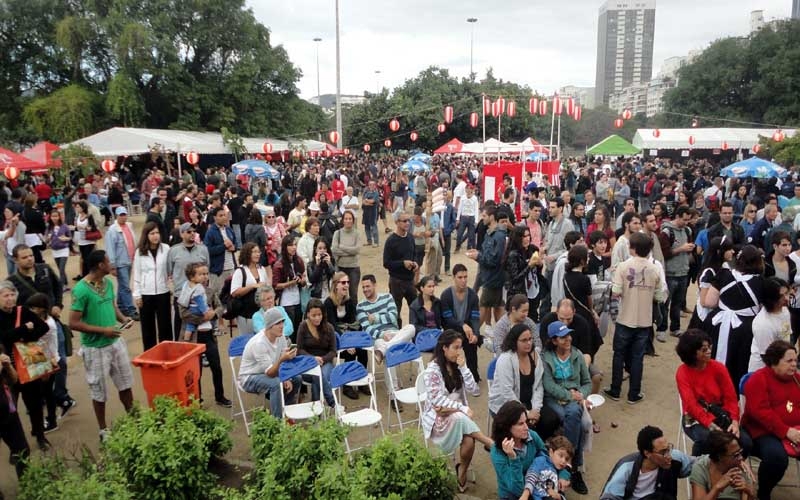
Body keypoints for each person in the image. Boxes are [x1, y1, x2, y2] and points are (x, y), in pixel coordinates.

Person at [68, 250, 134, 441]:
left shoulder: (107, 283)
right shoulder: (80, 290)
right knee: (99, 390)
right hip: (95, 349)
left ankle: (134, 418)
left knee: (126, 384)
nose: (110, 263)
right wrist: (103, 330)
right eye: (107, 261)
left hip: (116, 342)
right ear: (99, 265)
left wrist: (123, 318)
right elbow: (73, 323)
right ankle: (103, 430)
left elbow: (112, 307)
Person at [422, 330, 494, 492]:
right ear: (444, 348)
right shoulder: (432, 371)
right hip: (438, 423)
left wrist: (464, 368)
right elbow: (436, 400)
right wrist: (461, 408)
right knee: (459, 417)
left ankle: (461, 472)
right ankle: (489, 442)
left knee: (469, 441)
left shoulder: (457, 366)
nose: (459, 352)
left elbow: (475, 391)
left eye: (460, 348)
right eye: (455, 348)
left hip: (456, 417)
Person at [605, 232, 666, 404]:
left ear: (632, 248)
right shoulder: (655, 268)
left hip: (625, 318)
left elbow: (616, 292)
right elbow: (661, 296)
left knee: (619, 354)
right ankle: (634, 393)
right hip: (644, 320)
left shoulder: (623, 267)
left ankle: (615, 390)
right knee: (638, 357)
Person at [675, 329, 751, 457]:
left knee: (746, 442)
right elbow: (691, 405)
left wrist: (734, 421)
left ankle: (731, 467)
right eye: (704, 350)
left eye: (709, 347)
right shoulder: (682, 373)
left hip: (721, 413)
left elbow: (731, 398)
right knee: (710, 441)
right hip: (696, 417)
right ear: (692, 353)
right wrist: (710, 423)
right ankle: (700, 471)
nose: (709, 351)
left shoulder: (718, 367)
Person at [742, 340, 800, 499]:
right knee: (777, 459)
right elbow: (760, 413)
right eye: (789, 361)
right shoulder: (758, 380)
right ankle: (763, 493)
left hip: (795, 430)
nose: (794, 364)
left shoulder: (797, 379)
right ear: (774, 362)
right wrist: (787, 431)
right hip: (763, 432)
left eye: (796, 360)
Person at [701, 245, 764, 392]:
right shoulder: (761, 282)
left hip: (718, 324)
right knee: (740, 361)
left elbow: (709, 302)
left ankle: (710, 388)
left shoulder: (724, 275)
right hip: (745, 329)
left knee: (712, 356)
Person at [541, 320, 591, 494]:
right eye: (563, 337)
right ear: (554, 340)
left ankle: (565, 464)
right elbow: (549, 385)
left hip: (573, 401)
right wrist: (571, 395)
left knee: (579, 419)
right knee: (576, 417)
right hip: (554, 400)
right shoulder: (546, 357)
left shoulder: (577, 355)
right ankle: (573, 467)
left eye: (568, 335)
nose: (568, 339)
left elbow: (587, 382)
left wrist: (581, 395)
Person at [489, 322, 561, 441]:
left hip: (529, 402)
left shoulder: (535, 355)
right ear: (514, 341)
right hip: (507, 405)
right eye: (524, 340)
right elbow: (507, 393)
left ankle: (536, 447)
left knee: (551, 419)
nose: (528, 343)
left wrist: (535, 410)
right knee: (526, 427)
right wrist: (526, 414)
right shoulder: (505, 359)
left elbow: (538, 386)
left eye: (530, 339)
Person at [0, 282, 50, 450]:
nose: (10, 299)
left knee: (35, 404)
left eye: (12, 295)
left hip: (28, 366)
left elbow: (43, 327)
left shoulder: (23, 311)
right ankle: (16, 445)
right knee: (9, 409)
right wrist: (23, 329)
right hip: (8, 371)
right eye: (5, 296)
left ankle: (40, 436)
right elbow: (3, 339)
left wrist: (26, 337)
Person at [491, 400, 570, 500]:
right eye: (520, 424)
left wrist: (563, 475)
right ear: (507, 427)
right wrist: (513, 458)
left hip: (538, 485)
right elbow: (517, 490)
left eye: (526, 422)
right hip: (513, 496)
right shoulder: (497, 452)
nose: (526, 427)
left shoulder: (532, 436)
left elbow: (550, 458)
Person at [356, 274, 415, 408]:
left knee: (411, 328)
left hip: (395, 334)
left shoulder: (387, 297)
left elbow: (393, 317)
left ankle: (383, 350)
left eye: (368, 286)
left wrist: (375, 318)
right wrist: (383, 334)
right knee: (390, 353)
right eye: (363, 287)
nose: (365, 289)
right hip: (378, 339)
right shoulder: (360, 306)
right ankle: (394, 395)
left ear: (375, 285)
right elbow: (367, 329)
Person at [237, 308, 301, 417]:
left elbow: (282, 367)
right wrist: (282, 359)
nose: (282, 326)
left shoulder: (280, 337)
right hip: (249, 377)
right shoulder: (259, 344)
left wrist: (287, 377)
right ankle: (277, 423)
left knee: (297, 378)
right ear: (269, 326)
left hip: (269, 371)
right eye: (278, 323)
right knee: (276, 384)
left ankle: (287, 414)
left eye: (282, 322)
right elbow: (270, 373)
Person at [600, 425, 694, 500]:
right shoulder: (627, 468)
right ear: (647, 453)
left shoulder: (675, 457)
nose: (668, 455)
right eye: (663, 452)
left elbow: (700, 464)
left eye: (669, 449)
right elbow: (609, 496)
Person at [323, 272, 366, 400]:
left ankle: (361, 380)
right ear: (336, 285)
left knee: (362, 350)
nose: (346, 285)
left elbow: (353, 323)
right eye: (343, 282)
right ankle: (347, 384)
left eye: (347, 282)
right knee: (349, 353)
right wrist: (346, 343)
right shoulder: (328, 303)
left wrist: (352, 341)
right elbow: (332, 326)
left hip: (348, 334)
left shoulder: (349, 301)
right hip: (334, 337)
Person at [131, 221, 171, 350]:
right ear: (146, 235)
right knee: (148, 329)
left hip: (162, 292)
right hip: (146, 294)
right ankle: (150, 354)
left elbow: (170, 270)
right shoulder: (140, 252)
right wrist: (137, 295)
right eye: (152, 233)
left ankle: (166, 353)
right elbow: (136, 274)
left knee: (165, 326)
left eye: (157, 233)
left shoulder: (166, 249)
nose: (155, 236)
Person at [167, 223, 211, 337]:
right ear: (181, 234)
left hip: (200, 297)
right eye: (188, 232)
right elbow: (169, 271)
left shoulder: (203, 249)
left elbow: (207, 268)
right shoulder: (173, 251)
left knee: (202, 329)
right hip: (181, 297)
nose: (192, 234)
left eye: (193, 231)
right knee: (180, 329)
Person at [466, 205, 507, 327]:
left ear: (492, 217)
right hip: (489, 277)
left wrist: (478, 257)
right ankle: (503, 335)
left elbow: (495, 260)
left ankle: (473, 335)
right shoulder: (489, 234)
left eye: (484, 216)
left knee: (483, 307)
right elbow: (487, 254)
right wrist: (478, 254)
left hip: (493, 279)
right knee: (498, 307)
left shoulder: (498, 236)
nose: (482, 219)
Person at [440, 263, 482, 381]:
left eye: (465, 277)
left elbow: (475, 317)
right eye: (460, 277)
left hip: (466, 330)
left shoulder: (473, 295)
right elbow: (448, 319)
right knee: (450, 347)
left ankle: (473, 375)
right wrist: (462, 325)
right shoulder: (446, 295)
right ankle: (449, 376)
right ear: (454, 278)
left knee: (472, 343)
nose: (463, 280)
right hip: (451, 329)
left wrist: (476, 334)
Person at [658, 205, 694, 339]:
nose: (686, 222)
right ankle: (662, 328)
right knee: (665, 303)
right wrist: (681, 249)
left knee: (678, 303)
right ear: (677, 217)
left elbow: (689, 247)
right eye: (684, 219)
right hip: (670, 273)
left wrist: (690, 248)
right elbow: (664, 253)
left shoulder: (687, 231)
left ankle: (675, 327)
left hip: (683, 271)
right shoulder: (667, 232)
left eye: (688, 220)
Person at [689, 430, 756, 500]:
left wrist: (749, 492)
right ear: (720, 457)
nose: (741, 458)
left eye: (740, 452)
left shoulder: (742, 469)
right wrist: (717, 488)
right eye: (736, 455)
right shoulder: (701, 468)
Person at [0, 343, 30, 495]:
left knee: (22, 450)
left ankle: (27, 487)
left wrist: (8, 366)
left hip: (8, 413)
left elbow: (12, 380)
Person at [296, 298, 337, 408]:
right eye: (314, 315)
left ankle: (316, 412)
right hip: (307, 364)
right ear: (308, 314)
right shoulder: (303, 327)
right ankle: (332, 402)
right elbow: (299, 349)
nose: (317, 318)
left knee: (317, 376)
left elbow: (333, 351)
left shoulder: (329, 327)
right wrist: (313, 359)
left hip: (325, 362)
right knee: (317, 374)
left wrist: (322, 359)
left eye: (319, 314)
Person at [748, 277, 791, 371]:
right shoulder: (763, 324)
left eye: (787, 293)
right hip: (764, 369)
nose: (787, 298)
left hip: (783, 363)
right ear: (771, 299)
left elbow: (786, 336)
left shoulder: (784, 310)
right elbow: (767, 357)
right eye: (781, 296)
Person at [383, 211, 418, 320]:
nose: (407, 223)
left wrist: (415, 263)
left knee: (416, 310)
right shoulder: (391, 241)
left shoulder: (411, 238)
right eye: (404, 221)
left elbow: (414, 254)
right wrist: (402, 263)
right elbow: (386, 263)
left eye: (409, 221)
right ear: (396, 222)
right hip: (396, 282)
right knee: (395, 312)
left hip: (410, 281)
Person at [105, 206, 138, 319]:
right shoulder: (112, 230)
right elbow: (110, 249)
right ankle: (131, 309)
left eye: (124, 214)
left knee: (123, 286)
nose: (123, 217)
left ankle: (121, 305)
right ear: (117, 216)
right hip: (120, 262)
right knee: (125, 287)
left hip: (129, 260)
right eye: (121, 215)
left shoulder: (129, 226)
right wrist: (112, 265)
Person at [505, 225, 543, 323]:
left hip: (534, 291)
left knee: (533, 320)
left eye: (528, 236)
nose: (527, 239)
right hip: (519, 293)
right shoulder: (513, 255)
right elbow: (515, 278)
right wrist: (529, 266)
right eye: (524, 237)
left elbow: (537, 272)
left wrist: (539, 265)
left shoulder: (532, 249)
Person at [272, 235, 306, 338]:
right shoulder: (279, 264)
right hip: (286, 302)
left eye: (295, 245)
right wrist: (290, 283)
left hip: (298, 299)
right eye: (291, 245)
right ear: (285, 247)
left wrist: (301, 281)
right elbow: (276, 285)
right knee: (289, 331)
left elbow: (304, 281)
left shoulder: (299, 261)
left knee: (298, 328)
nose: (294, 247)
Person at [520, 436, 574, 500]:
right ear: (551, 452)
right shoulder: (541, 461)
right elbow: (531, 476)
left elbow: (562, 494)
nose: (563, 461)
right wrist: (525, 495)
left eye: (566, 459)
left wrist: (558, 496)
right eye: (560, 455)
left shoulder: (560, 471)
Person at [231, 242, 267, 334]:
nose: (258, 254)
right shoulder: (240, 271)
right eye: (254, 252)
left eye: (259, 252)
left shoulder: (261, 269)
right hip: (246, 313)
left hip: (261, 311)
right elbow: (234, 292)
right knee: (247, 339)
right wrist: (251, 286)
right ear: (247, 253)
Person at [331, 210, 361, 301]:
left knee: (353, 294)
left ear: (353, 220)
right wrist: (350, 251)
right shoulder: (337, 233)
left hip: (353, 268)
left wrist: (342, 247)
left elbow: (357, 250)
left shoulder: (357, 233)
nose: (348, 221)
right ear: (343, 220)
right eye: (346, 219)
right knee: (339, 293)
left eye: (350, 219)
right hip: (340, 268)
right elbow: (334, 249)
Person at [46, 209, 72, 291]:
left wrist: (66, 238)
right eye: (53, 216)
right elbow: (46, 239)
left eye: (56, 216)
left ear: (59, 217)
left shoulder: (64, 226)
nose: (54, 218)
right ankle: (65, 283)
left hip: (64, 249)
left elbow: (70, 237)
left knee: (61, 268)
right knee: (60, 269)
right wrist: (48, 239)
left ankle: (62, 286)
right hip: (55, 250)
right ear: (50, 217)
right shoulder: (49, 227)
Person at [73, 200, 100, 279]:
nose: (77, 209)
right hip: (81, 241)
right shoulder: (77, 217)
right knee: (84, 259)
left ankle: (90, 275)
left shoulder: (89, 216)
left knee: (87, 259)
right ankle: (85, 276)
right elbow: (77, 227)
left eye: (78, 207)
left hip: (89, 241)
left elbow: (93, 228)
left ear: (83, 207)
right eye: (76, 207)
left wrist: (83, 228)